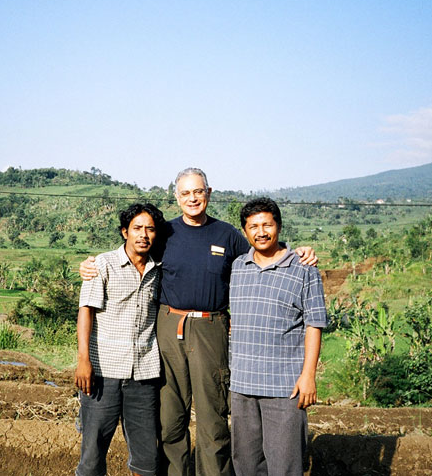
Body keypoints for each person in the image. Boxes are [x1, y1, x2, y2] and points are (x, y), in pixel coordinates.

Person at [80, 168, 318, 476]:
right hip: (167, 328)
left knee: (212, 419)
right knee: (169, 419)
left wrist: (296, 251)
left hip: (210, 327)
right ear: (176, 197)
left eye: (198, 191)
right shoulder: (164, 233)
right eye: (186, 193)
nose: (193, 198)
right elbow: (131, 253)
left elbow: (262, 252)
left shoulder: (228, 234)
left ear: (208, 193)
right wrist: (90, 263)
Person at [229, 197, 327, 476]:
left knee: (285, 466)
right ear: (245, 231)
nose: (261, 232)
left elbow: (315, 323)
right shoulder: (238, 267)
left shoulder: (304, 268)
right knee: (246, 465)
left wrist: (308, 375)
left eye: (267, 225)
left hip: (284, 387)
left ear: (279, 227)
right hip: (242, 384)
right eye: (253, 226)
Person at [75, 203, 166, 476]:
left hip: (144, 374)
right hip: (104, 372)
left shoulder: (160, 268)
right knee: (92, 454)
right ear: (125, 232)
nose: (144, 235)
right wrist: (83, 361)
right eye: (137, 228)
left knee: (147, 459)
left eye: (150, 229)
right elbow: (86, 311)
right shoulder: (102, 264)